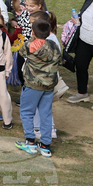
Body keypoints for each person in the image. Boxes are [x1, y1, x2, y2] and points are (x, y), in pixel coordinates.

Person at [15, 19, 60, 158]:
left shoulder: (29, 45)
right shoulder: (53, 45)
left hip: (32, 86)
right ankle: (45, 146)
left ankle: (30, 142)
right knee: (45, 114)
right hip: (49, 86)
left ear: (33, 32)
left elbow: (21, 53)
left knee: (27, 112)